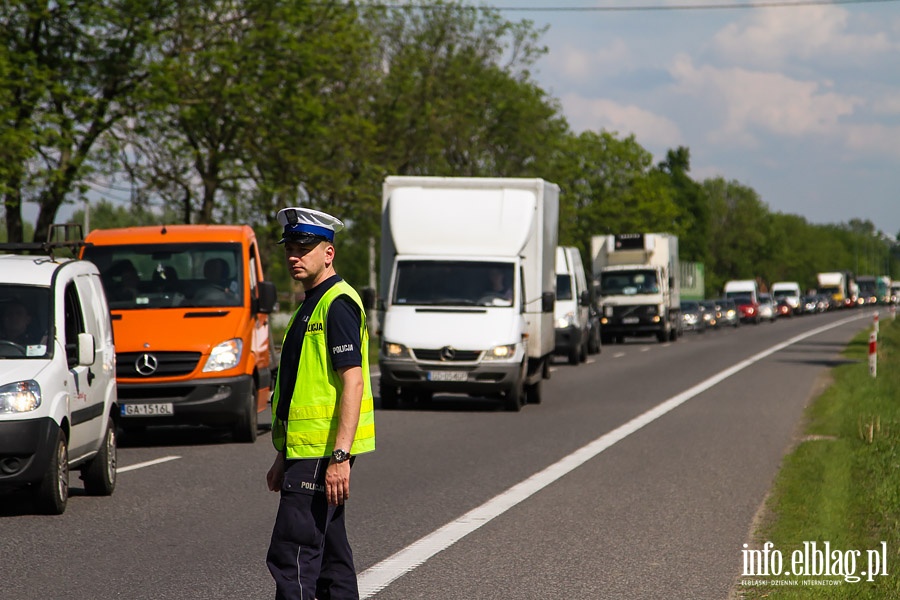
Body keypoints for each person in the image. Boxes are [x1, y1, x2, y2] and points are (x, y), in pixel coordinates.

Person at [265, 206, 376, 600]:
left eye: (304, 247)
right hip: (307, 452)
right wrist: (284, 456)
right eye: (290, 247)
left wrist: (340, 457)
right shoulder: (310, 304)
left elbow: (353, 381)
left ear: (328, 253)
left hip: (325, 450)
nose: (294, 255)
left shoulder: (337, 303)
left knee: (292, 556)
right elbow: (300, 387)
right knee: (330, 557)